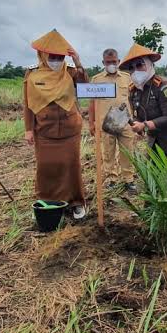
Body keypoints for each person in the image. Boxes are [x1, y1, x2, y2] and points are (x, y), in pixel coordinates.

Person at [23, 29, 89, 219]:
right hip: (44, 131)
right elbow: (27, 104)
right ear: (43, 55)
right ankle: (47, 202)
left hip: (70, 129)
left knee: (71, 166)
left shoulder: (69, 72)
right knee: (46, 167)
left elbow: (85, 87)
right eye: (52, 56)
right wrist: (28, 129)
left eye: (60, 57)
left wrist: (77, 61)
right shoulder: (32, 74)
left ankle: (76, 202)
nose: (56, 60)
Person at [119, 44, 167, 153]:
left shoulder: (163, 86)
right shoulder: (133, 90)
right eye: (131, 68)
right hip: (155, 137)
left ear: (150, 65)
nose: (135, 70)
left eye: (139, 65)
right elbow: (137, 115)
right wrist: (136, 124)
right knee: (154, 167)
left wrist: (144, 125)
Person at [88, 48, 136, 192]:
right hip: (106, 124)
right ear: (103, 62)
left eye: (114, 62)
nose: (111, 64)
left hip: (126, 122)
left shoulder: (128, 78)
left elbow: (133, 99)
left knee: (127, 151)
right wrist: (91, 122)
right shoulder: (97, 80)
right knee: (108, 153)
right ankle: (111, 179)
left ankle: (128, 179)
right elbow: (92, 103)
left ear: (118, 61)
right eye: (108, 62)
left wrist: (135, 120)